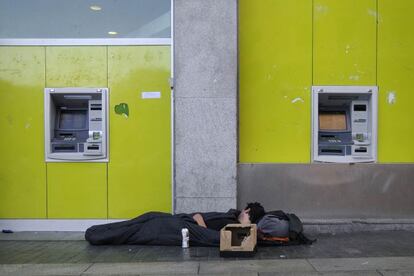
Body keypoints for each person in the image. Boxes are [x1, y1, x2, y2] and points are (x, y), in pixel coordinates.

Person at [191, 202, 265, 231]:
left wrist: (199, 218)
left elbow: (211, 236)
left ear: (247, 210)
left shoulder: (233, 227)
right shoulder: (233, 219)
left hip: (192, 225)